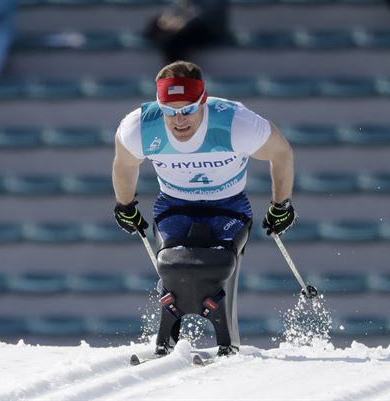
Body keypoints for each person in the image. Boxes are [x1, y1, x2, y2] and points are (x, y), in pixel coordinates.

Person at [111, 60, 297, 356]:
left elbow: (281, 152)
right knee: (172, 265)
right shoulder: (139, 127)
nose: (178, 120)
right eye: (169, 111)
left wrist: (280, 205)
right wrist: (125, 205)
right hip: (175, 204)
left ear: (203, 101)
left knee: (218, 264)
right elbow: (124, 163)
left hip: (229, 206)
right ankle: (165, 341)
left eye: (188, 109)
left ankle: (227, 341)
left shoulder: (236, 123)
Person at [144, 0, 229, 63]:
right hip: (187, 23)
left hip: (207, 28)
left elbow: (205, 15)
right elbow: (179, 7)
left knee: (173, 42)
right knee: (155, 24)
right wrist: (167, 20)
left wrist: (179, 24)